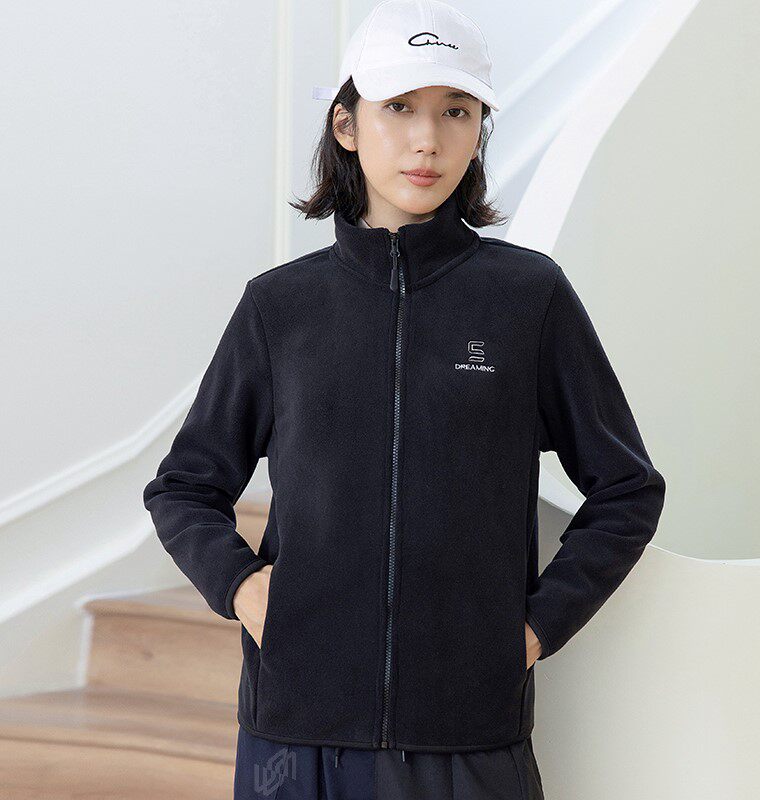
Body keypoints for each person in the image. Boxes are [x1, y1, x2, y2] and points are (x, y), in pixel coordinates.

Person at [142, 1, 667, 798]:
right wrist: (246, 591)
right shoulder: (280, 307)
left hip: (468, 731)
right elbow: (184, 486)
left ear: (478, 130)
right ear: (347, 125)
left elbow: (627, 488)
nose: (428, 139)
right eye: (399, 108)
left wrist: (532, 630)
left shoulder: (529, 299)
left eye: (456, 111)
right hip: (297, 730)